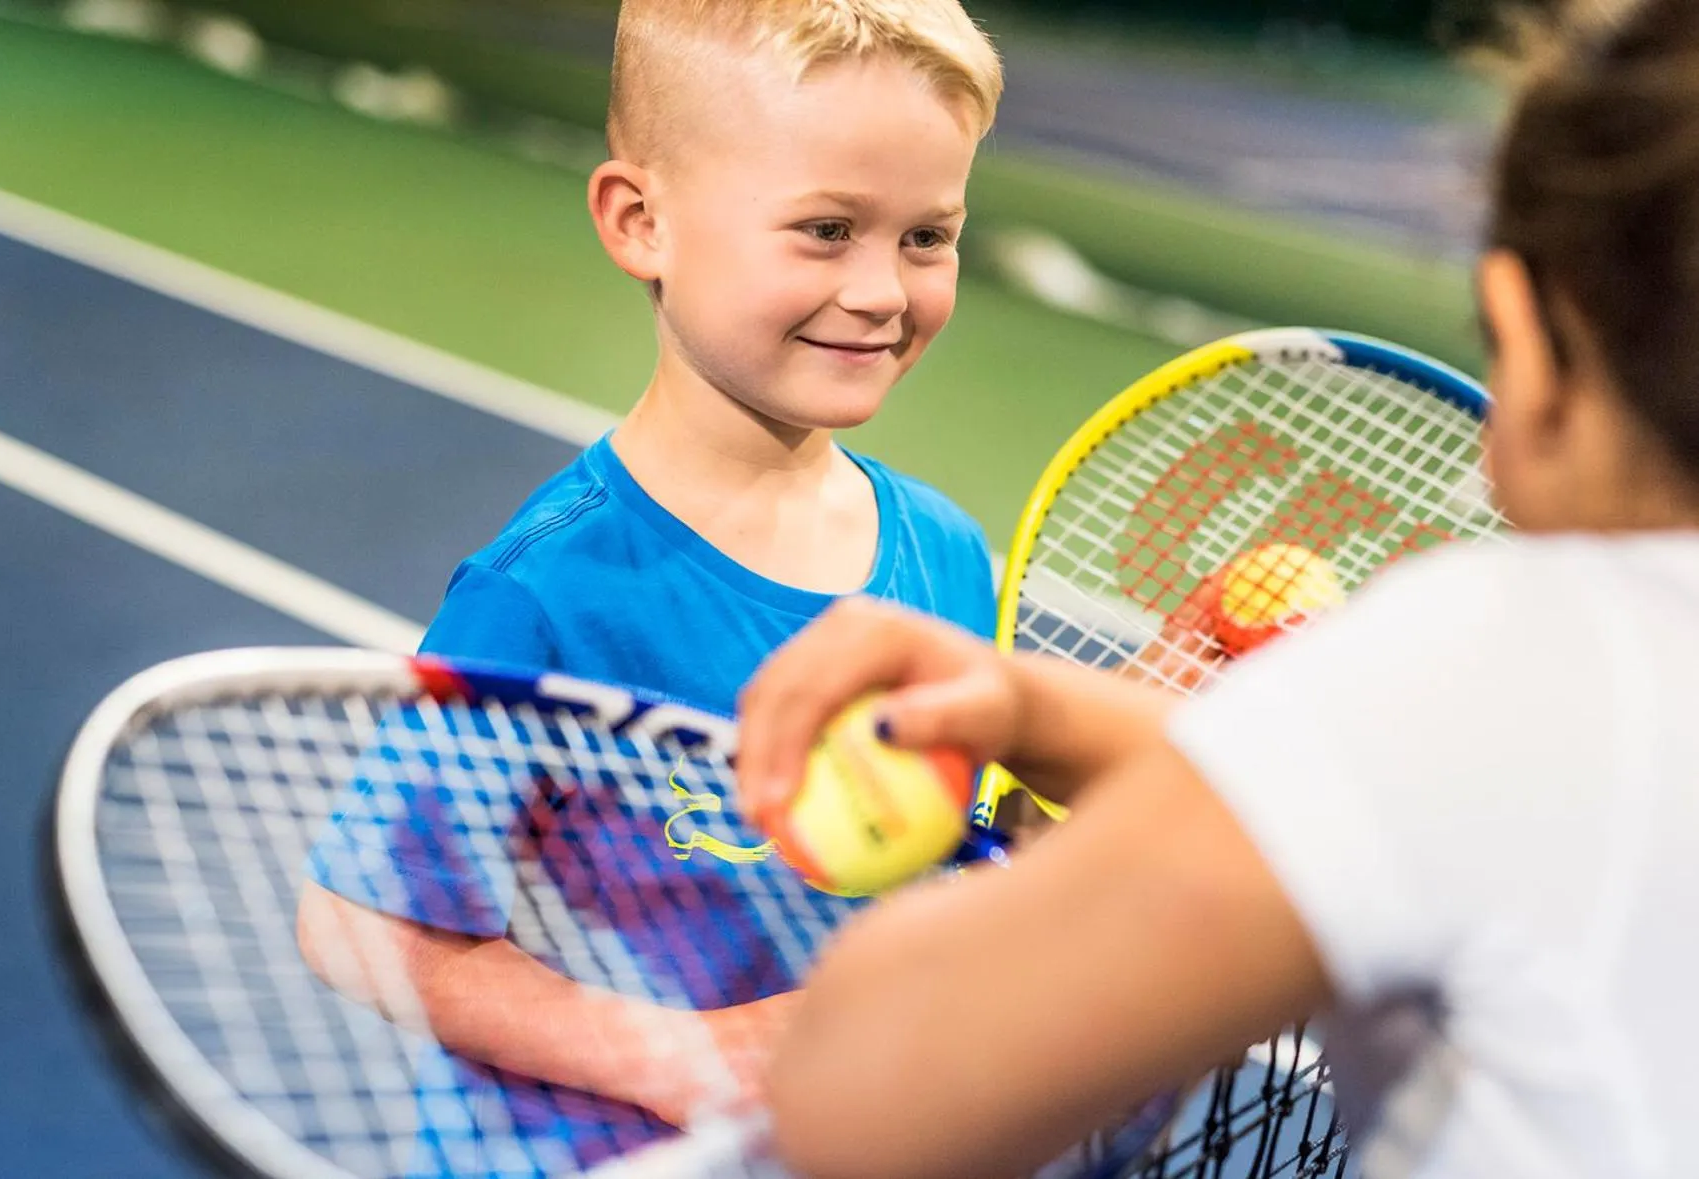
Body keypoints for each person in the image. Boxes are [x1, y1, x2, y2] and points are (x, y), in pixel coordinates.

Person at [735, 2, 1699, 1176]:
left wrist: (1015, 884)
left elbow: (860, 1097)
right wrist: (1036, 713)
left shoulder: (1499, 651)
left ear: (1525, 334)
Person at [294, 1, 1004, 1175]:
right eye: (826, 229)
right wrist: (674, 1057)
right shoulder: (549, 595)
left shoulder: (945, 552)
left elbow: (951, 840)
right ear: (640, 223)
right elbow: (359, 922)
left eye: (927, 237)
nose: (884, 290)